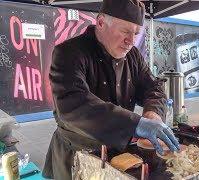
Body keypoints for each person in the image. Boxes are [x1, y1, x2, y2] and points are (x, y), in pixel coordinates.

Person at [42, 0, 180, 179]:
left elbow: (153, 87)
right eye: (125, 31)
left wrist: (153, 113)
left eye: (136, 33)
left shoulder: (133, 56)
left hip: (117, 153)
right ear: (100, 22)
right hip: (76, 153)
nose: (130, 41)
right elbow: (73, 104)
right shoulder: (69, 53)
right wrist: (135, 123)